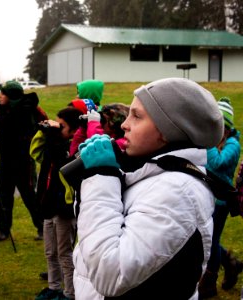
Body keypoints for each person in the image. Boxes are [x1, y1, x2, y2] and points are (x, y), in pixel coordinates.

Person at [73, 78, 224, 299]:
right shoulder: (152, 174)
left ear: (167, 131)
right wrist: (99, 176)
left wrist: (102, 177)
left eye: (137, 116)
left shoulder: (177, 191)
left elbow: (111, 273)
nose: (125, 124)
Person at [0, 80, 44, 241]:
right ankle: (3, 230)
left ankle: (42, 227)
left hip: (24, 162)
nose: (0, 95)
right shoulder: (4, 106)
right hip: (5, 162)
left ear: (11, 96)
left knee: (29, 196)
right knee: (4, 196)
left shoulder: (26, 110)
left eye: (3, 93)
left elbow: (10, 132)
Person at [30, 107, 82, 300]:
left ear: (74, 130)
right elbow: (36, 152)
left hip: (64, 209)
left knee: (64, 253)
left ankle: (70, 293)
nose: (57, 129)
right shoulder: (54, 143)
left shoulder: (71, 147)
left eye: (62, 126)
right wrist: (43, 131)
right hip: (49, 206)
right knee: (50, 252)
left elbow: (61, 161)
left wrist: (53, 135)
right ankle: (53, 287)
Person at [198, 97, 242, 298]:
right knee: (205, 239)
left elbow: (216, 163)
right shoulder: (215, 141)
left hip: (220, 202)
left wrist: (207, 142)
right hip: (206, 196)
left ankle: (209, 282)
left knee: (211, 242)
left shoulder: (233, 144)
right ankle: (230, 263)